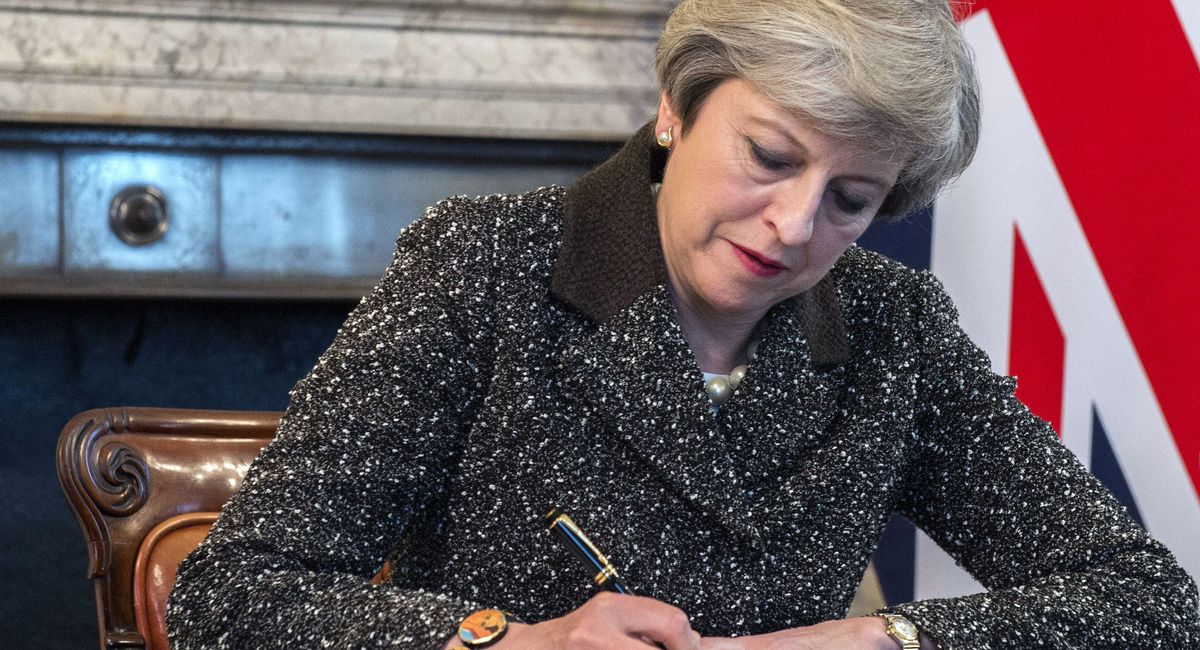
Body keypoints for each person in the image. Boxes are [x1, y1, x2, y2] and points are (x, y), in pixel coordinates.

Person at [168, 0, 1200, 648]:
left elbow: (1145, 600)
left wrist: (879, 639)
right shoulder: (485, 264)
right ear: (677, 105)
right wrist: (514, 640)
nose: (794, 224)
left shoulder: (896, 329)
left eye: (851, 199)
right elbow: (235, 594)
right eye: (769, 156)